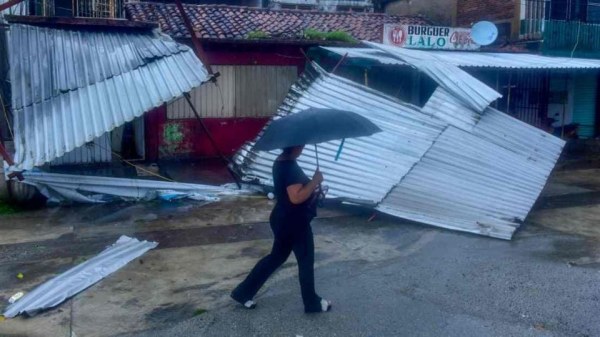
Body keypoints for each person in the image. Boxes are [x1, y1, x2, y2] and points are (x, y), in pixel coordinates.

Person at [231, 145, 332, 313]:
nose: (303, 148)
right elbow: (296, 197)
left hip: (283, 219)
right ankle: (311, 303)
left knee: (276, 257)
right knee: (305, 260)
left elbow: (294, 193)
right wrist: (315, 181)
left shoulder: (281, 162)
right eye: (302, 145)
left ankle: (242, 292)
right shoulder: (289, 167)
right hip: (294, 223)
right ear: (295, 147)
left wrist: (313, 189)